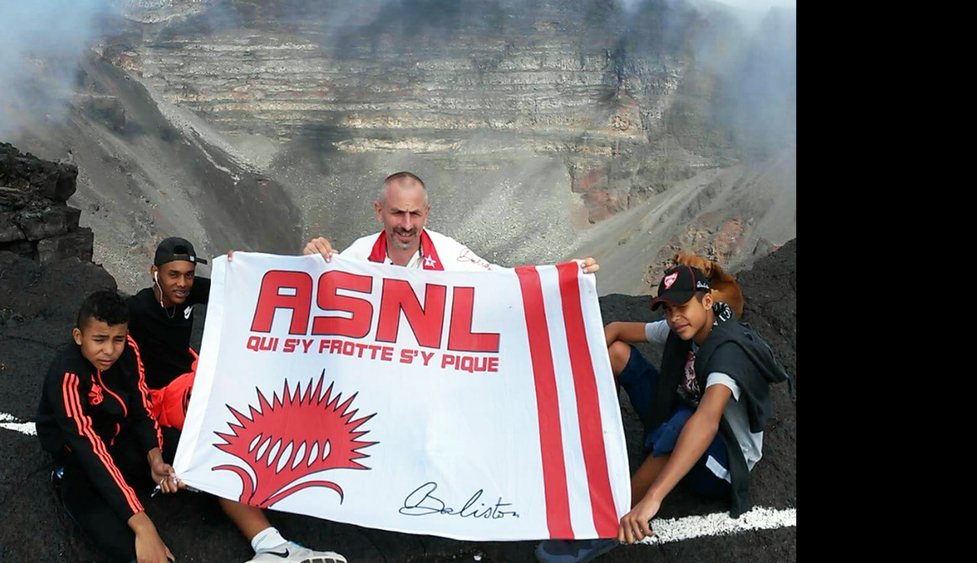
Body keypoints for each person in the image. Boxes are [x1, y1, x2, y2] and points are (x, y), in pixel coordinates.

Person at [536, 264, 790, 563]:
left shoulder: (727, 354)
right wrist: (571, 365)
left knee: (682, 427)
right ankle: (602, 449)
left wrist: (653, 498)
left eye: (682, 306)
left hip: (725, 463)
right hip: (695, 423)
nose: (674, 317)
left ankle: (611, 520)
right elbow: (617, 329)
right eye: (667, 310)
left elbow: (706, 421)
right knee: (618, 353)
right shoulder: (684, 327)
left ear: (707, 301)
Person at [127, 236, 347, 563]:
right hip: (165, 395)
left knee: (255, 392)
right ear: (154, 273)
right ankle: (269, 544)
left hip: (190, 370)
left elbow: (237, 286)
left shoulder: (187, 290)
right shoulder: (138, 309)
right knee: (228, 432)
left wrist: (243, 266)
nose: (183, 283)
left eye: (188, 274)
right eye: (174, 275)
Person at [37, 290, 181, 563]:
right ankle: (61, 479)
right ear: (79, 337)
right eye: (99, 340)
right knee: (119, 536)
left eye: (118, 339)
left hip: (118, 438)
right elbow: (89, 449)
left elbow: (142, 409)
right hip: (79, 458)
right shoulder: (66, 376)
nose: (110, 351)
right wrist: (143, 525)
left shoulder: (130, 350)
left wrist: (155, 456)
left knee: (188, 453)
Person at [303, 171, 598, 274]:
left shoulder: (449, 254)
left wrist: (566, 275)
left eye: (415, 214)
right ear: (379, 211)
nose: (406, 224)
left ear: (427, 214)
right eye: (397, 213)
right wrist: (312, 263)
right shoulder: (357, 255)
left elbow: (503, 280)